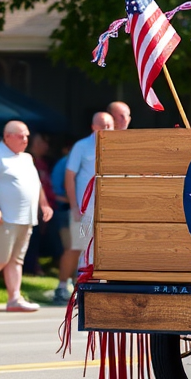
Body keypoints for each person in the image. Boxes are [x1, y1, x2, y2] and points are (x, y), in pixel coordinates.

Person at [0, 121, 52, 312]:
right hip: (3, 219)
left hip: (26, 218)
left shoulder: (27, 158)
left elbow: (36, 184)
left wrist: (44, 204)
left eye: (26, 136)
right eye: (20, 136)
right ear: (7, 137)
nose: (25, 140)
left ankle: (14, 299)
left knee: (16, 261)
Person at [58, 112, 114, 299]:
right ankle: (67, 287)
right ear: (93, 127)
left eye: (109, 124)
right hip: (84, 210)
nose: (107, 128)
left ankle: (95, 289)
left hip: (108, 210)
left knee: (104, 250)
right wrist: (75, 206)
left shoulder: (117, 145)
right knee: (80, 246)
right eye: (103, 124)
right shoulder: (81, 146)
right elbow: (69, 176)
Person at [23, 133, 59, 277]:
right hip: (33, 207)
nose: (46, 146)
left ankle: (34, 265)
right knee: (32, 237)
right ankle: (29, 267)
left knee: (39, 237)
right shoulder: (27, 161)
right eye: (43, 143)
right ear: (35, 144)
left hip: (47, 206)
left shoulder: (43, 163)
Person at [50, 141, 73, 303]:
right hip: (65, 210)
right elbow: (57, 191)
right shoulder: (66, 164)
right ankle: (63, 286)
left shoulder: (66, 162)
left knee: (76, 250)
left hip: (71, 211)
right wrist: (75, 202)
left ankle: (72, 283)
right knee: (70, 249)